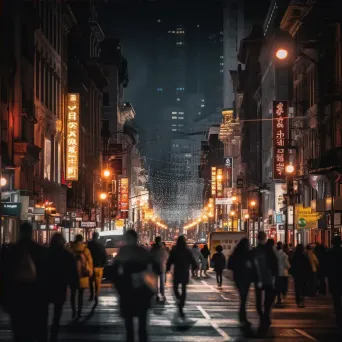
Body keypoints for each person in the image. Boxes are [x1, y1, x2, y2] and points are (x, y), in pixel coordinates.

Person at [0, 223, 49, 342]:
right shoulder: (41, 251)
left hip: (17, 298)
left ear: (20, 232)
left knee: (19, 332)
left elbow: (3, 276)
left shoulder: (11, 251)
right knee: (37, 330)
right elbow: (47, 276)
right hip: (37, 298)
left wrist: (5, 301)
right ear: (31, 232)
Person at [110, 230, 160, 342]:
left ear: (127, 239)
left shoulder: (122, 253)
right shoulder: (144, 252)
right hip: (143, 292)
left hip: (127, 292)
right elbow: (158, 268)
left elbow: (112, 272)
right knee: (142, 327)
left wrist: (119, 285)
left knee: (129, 327)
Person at [48, 233, 79, 342]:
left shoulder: (46, 253)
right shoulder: (67, 254)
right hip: (60, 285)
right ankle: (54, 331)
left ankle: (42, 331)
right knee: (58, 311)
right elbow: (73, 271)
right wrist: (74, 285)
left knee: (44, 310)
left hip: (46, 285)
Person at [251, 233, 278, 336]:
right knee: (266, 304)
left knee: (259, 304)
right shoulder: (269, 250)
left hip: (260, 280)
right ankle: (265, 319)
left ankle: (264, 319)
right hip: (269, 280)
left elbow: (252, 265)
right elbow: (275, 265)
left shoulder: (256, 251)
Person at [167, 236, 198, 319]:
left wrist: (167, 268)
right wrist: (195, 267)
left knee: (175, 287)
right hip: (185, 271)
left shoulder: (174, 250)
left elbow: (170, 260)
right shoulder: (187, 250)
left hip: (177, 271)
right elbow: (192, 260)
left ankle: (179, 297)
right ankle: (182, 303)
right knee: (184, 288)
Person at [228, 238, 254, 331]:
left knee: (242, 298)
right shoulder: (248, 253)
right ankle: (243, 317)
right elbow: (252, 265)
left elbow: (230, 265)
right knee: (243, 298)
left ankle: (242, 317)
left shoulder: (235, 253)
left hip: (238, 278)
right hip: (246, 278)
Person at [70, 234, 93, 319]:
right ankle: (79, 312)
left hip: (72, 274)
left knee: (73, 294)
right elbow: (90, 261)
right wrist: (90, 271)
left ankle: (73, 311)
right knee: (80, 294)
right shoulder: (85, 249)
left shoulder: (71, 249)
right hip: (83, 274)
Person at [325, 236, 342, 336]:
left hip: (333, 278)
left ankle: (338, 317)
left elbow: (326, 265)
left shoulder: (330, 253)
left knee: (336, 299)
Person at [87, 232, 107, 304]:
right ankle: (96, 295)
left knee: (91, 281)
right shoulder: (101, 246)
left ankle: (92, 294)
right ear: (97, 237)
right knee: (98, 282)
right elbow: (105, 256)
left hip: (91, 266)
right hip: (99, 266)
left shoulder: (89, 245)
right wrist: (104, 264)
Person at [291, 244, 312, 308]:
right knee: (303, 288)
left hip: (297, 275)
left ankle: (298, 301)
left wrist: (293, 273)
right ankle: (302, 301)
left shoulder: (295, 256)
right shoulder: (304, 256)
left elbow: (292, 265)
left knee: (297, 288)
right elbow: (308, 265)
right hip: (303, 275)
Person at [150, 236, 169, 302]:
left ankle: (156, 295)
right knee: (162, 282)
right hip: (162, 266)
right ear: (160, 240)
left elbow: (150, 257)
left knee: (155, 282)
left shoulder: (153, 248)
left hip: (154, 267)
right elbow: (166, 257)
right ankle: (162, 294)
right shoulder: (163, 248)